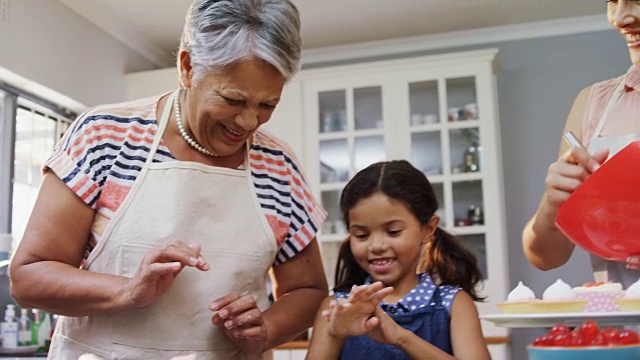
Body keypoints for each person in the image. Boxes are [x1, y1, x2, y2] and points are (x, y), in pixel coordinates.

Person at [9, 0, 329, 358]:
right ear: (188, 67)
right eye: (233, 99)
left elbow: (309, 289)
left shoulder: (279, 166)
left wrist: (266, 329)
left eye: (267, 104)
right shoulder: (105, 136)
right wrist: (128, 290)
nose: (249, 122)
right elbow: (29, 276)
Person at [306, 160, 490, 360]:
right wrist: (334, 335)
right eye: (361, 235)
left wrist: (401, 338)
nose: (376, 245)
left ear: (428, 229)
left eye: (393, 232)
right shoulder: (336, 307)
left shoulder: (453, 303)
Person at [522, 0, 640, 287]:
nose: (620, 17)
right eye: (613, 1)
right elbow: (546, 257)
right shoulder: (593, 103)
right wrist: (552, 203)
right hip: (624, 329)